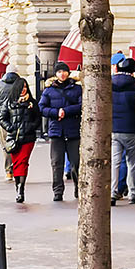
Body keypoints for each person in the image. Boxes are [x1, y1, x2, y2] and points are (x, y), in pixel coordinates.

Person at [39, 65, 83, 202]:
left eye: (64, 71)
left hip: (72, 131)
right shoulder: (49, 90)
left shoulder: (77, 89)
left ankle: (78, 188)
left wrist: (66, 111)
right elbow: (42, 107)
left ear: (68, 73)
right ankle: (58, 191)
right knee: (56, 163)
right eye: (59, 71)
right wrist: (55, 112)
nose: (62, 74)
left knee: (76, 162)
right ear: (56, 74)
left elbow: (82, 105)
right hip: (56, 131)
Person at [111, 56, 135, 204]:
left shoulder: (110, 84)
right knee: (132, 162)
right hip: (132, 129)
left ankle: (113, 192)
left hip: (114, 129)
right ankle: (133, 193)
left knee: (115, 161)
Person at [0, 81, 42, 203]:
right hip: (14, 139)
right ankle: (17, 184)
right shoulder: (9, 103)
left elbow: (38, 119)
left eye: (25, 87)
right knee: (16, 163)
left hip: (28, 138)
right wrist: (10, 127)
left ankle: (21, 188)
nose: (23, 90)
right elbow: (2, 118)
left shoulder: (32, 103)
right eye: (21, 87)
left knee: (23, 161)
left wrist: (31, 127)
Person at [0, 69, 27, 178]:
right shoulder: (21, 84)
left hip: (3, 119)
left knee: (6, 144)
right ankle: (18, 168)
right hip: (19, 118)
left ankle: (9, 171)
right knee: (20, 144)